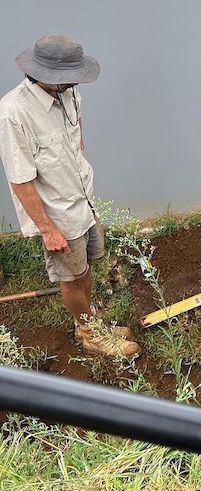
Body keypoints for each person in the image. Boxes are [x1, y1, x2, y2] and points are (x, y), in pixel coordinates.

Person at [0, 36, 139, 358]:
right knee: (72, 277)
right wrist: (48, 229)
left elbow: (77, 140)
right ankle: (91, 335)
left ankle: (89, 320)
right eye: (70, 75)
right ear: (46, 74)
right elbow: (20, 180)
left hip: (82, 200)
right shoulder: (13, 113)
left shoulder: (69, 95)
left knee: (85, 266)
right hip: (57, 213)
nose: (76, 80)